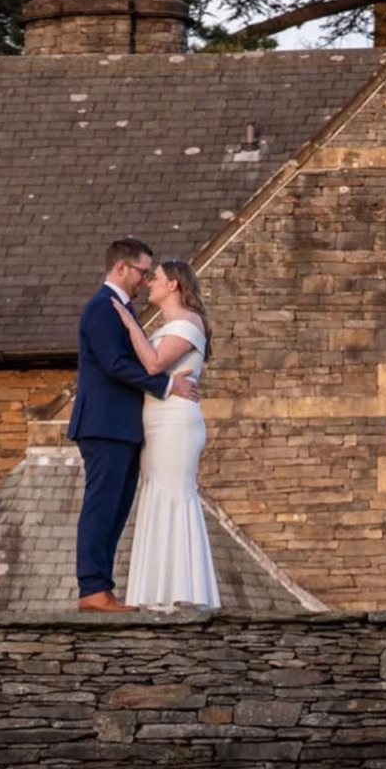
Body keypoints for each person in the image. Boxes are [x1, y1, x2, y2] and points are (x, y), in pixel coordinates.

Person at [69, 238, 196, 611]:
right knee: (102, 506)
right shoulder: (102, 309)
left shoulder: (120, 309)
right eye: (142, 272)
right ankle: (93, 589)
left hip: (121, 426)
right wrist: (167, 384)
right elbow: (114, 365)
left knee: (117, 507)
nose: (144, 281)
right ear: (121, 268)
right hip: (103, 424)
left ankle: (101, 587)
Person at [112, 259, 221, 609]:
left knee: (174, 495)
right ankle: (156, 592)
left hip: (176, 424)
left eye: (155, 278)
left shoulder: (189, 323)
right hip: (157, 423)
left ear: (173, 285)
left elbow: (155, 364)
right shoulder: (171, 323)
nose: (149, 284)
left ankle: (184, 591)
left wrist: (130, 323)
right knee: (156, 495)